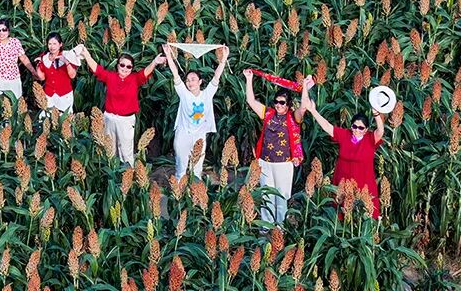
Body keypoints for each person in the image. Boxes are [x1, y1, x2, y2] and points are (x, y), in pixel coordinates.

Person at [79, 46, 166, 166]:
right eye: (122, 65)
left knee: (126, 151)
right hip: (109, 118)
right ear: (117, 65)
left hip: (126, 121)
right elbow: (97, 70)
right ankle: (112, 173)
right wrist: (86, 55)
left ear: (132, 68)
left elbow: (145, 72)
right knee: (109, 150)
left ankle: (128, 173)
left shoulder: (135, 79)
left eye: (129, 66)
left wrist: (155, 62)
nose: (125, 68)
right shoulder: (111, 77)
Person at [243, 70, 309, 225]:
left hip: (283, 163)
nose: (278, 105)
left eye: (282, 102)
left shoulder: (293, 117)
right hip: (265, 161)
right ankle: (266, 226)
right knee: (266, 195)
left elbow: (303, 107)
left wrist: (305, 87)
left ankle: (280, 227)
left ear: (288, 104)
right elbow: (251, 101)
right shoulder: (268, 113)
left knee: (282, 196)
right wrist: (249, 79)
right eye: (276, 102)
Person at [302, 97, 386, 218]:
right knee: (341, 214)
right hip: (343, 180)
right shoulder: (345, 135)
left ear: (366, 130)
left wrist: (376, 114)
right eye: (354, 126)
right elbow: (327, 126)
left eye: (361, 128)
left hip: (363, 183)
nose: (357, 130)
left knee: (363, 215)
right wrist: (313, 111)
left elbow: (380, 131)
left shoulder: (370, 139)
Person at [162, 44, 229, 180]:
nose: (189, 82)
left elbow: (216, 77)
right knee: (180, 170)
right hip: (183, 135)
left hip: (199, 135)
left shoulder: (207, 94)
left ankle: (195, 192)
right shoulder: (184, 94)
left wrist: (223, 59)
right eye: (187, 80)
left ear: (200, 82)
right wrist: (168, 55)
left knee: (197, 170)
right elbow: (176, 75)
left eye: (193, 79)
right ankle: (179, 191)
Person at [33, 33, 77, 114]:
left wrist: (66, 62)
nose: (52, 47)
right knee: (47, 117)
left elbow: (72, 75)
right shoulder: (44, 57)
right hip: (49, 95)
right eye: (49, 44)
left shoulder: (67, 55)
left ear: (60, 44)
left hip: (64, 95)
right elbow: (42, 78)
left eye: (54, 44)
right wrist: (38, 65)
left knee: (65, 118)